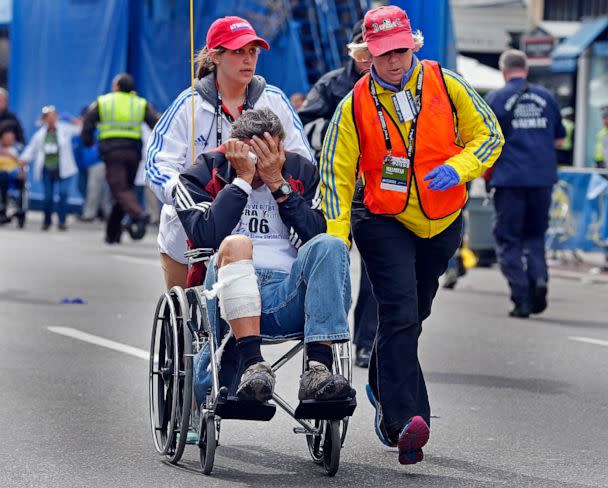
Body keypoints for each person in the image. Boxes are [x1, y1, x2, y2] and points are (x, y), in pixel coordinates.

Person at [320, 5, 503, 465]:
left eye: (400, 50)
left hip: (442, 219)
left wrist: (460, 167)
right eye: (383, 54)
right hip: (381, 218)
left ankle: (381, 387)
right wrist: (337, 240)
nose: (394, 61)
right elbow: (336, 177)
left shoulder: (448, 83)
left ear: (412, 46)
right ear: (366, 55)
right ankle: (405, 422)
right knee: (398, 311)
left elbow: (490, 136)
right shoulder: (353, 104)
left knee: (414, 314)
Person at [176, 108, 352, 402]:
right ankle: (253, 365)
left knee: (331, 244)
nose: (259, 164)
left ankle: (318, 369)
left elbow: (314, 236)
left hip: (287, 292)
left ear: (280, 148)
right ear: (234, 149)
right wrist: (242, 180)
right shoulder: (204, 172)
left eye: (267, 152)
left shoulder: (301, 171)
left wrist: (277, 182)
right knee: (238, 243)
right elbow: (204, 235)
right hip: (225, 295)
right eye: (252, 154)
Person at [145, 15, 314, 290]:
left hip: (267, 218)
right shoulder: (188, 104)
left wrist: (275, 178)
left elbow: (304, 160)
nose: (248, 59)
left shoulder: (275, 100)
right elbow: (156, 166)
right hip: (199, 219)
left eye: (252, 51)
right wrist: (188, 195)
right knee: (186, 303)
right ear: (215, 56)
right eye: (238, 52)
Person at [298, 19, 375, 368]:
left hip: (379, 192)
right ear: (354, 50)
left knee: (377, 271)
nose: (370, 59)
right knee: (332, 262)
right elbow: (300, 123)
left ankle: (366, 342)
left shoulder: (397, 86)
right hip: (336, 189)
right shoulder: (332, 84)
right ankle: (325, 340)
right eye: (364, 52)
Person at [486, 49, 565, 318]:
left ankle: (521, 299)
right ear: (526, 69)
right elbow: (559, 139)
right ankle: (539, 278)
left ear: (503, 70)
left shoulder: (496, 98)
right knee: (535, 235)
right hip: (542, 178)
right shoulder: (546, 98)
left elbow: (485, 141)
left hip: (510, 180)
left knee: (508, 239)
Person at [81, 73, 160, 244]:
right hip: (133, 153)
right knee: (122, 192)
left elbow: (88, 120)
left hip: (112, 152)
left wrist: (87, 141)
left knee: (120, 191)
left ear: (117, 86)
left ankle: (139, 213)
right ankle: (112, 234)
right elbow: (157, 124)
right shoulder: (140, 103)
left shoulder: (104, 101)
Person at [21, 106, 81, 231]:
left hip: (64, 168)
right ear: (44, 119)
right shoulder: (40, 135)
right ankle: (47, 221)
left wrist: (74, 121)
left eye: (53, 115)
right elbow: (31, 149)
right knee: (48, 196)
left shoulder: (64, 129)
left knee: (63, 193)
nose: (51, 118)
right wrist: (23, 160)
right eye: (48, 116)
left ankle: (62, 221)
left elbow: (80, 130)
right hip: (47, 169)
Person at [0, 125, 26, 224]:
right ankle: (3, 205)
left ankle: (19, 208)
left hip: (14, 176)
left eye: (11, 137)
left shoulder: (18, 148)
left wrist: (11, 155)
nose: (9, 139)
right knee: (3, 175)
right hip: (2, 175)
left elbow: (23, 162)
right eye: (6, 137)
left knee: (20, 180)